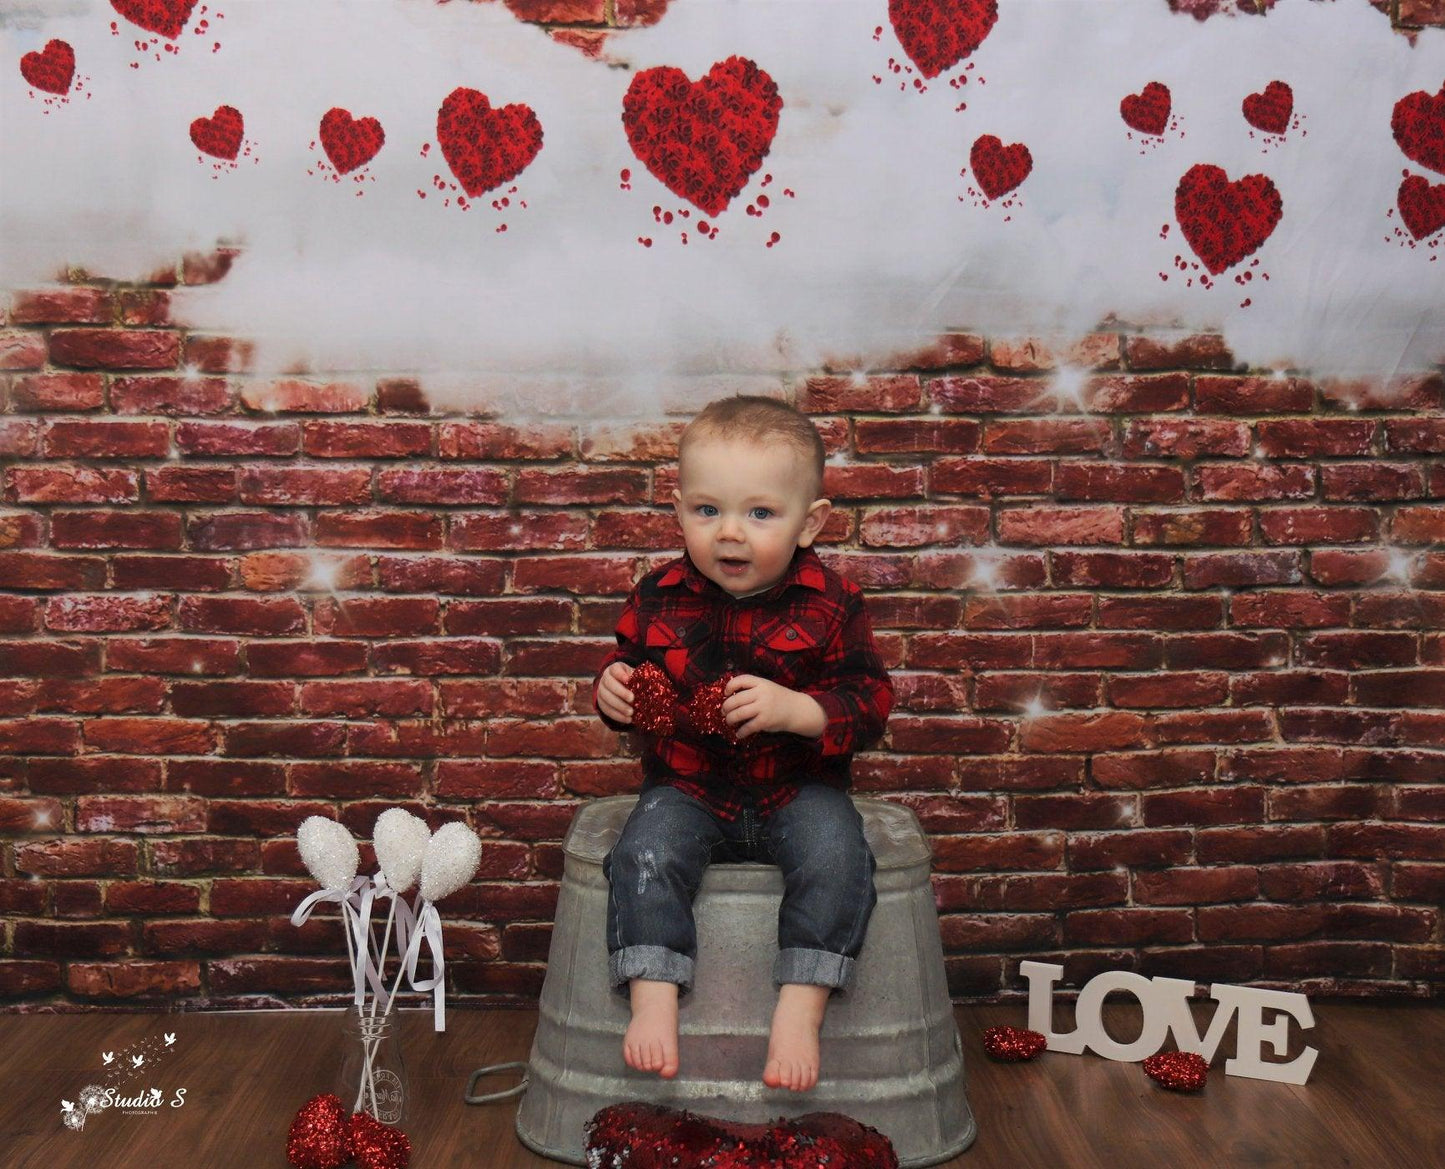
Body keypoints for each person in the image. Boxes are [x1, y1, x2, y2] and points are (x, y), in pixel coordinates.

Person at [592, 394, 893, 1093]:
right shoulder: (657, 593)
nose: (730, 533)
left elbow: (870, 701)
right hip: (688, 785)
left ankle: (801, 1003)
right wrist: (610, 693)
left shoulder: (832, 601)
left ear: (809, 520)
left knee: (837, 854)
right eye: (707, 510)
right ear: (677, 509)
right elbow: (627, 670)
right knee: (642, 852)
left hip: (797, 788)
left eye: (759, 513)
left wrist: (800, 709)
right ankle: (653, 994)